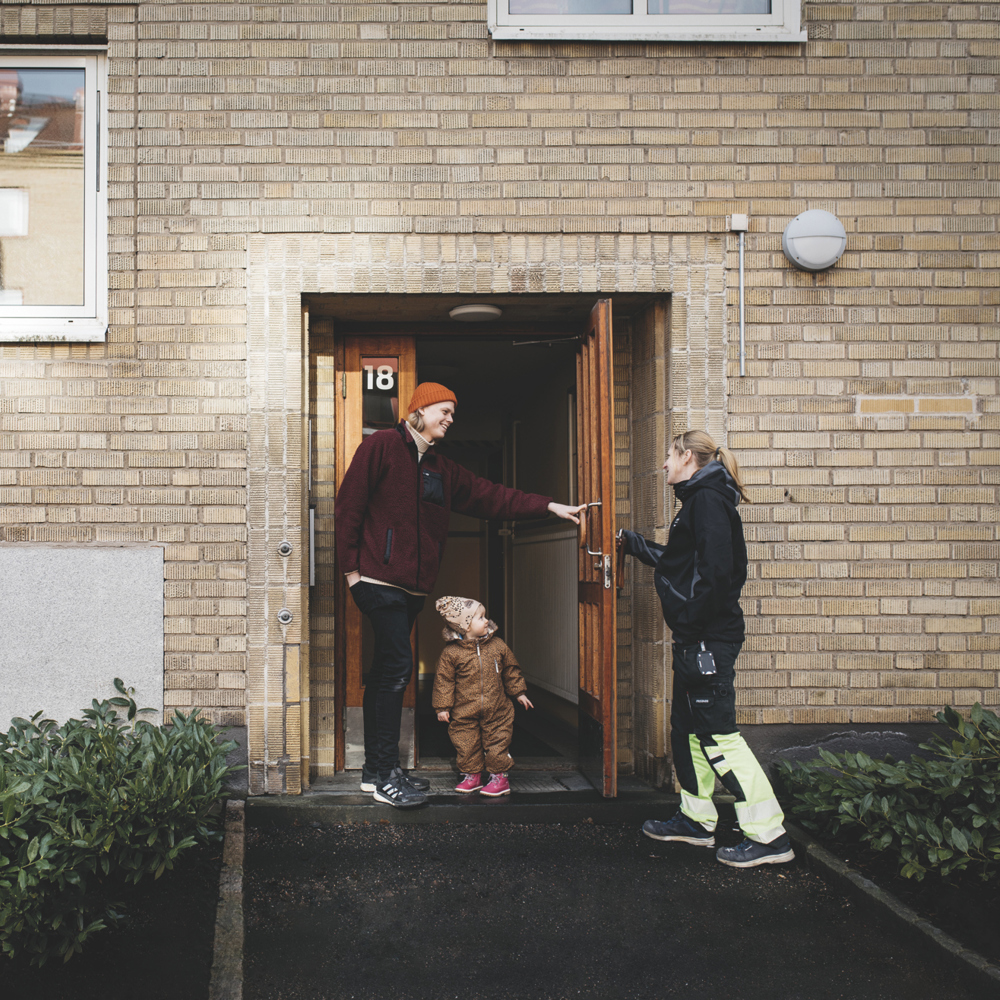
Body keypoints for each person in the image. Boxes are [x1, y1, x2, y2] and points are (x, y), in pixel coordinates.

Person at [334, 382, 585, 808]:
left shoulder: (441, 468)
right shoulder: (380, 448)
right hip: (377, 581)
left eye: (453, 412)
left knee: (385, 671)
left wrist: (548, 507)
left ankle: (375, 772)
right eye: (444, 410)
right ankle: (384, 775)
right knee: (397, 668)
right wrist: (353, 573)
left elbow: (492, 496)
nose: (450, 418)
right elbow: (348, 508)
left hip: (412, 588)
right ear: (420, 410)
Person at [618, 429, 795, 867]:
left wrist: (693, 622)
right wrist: (635, 544)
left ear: (688, 458)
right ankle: (697, 821)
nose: (663, 464)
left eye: (669, 455)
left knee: (718, 735)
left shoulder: (709, 502)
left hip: (707, 640)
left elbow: (719, 575)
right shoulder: (698, 501)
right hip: (695, 639)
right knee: (687, 732)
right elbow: (684, 566)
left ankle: (770, 836)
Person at [431, 596, 533, 797]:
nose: (486, 621)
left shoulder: (497, 646)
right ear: (465, 626)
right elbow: (444, 681)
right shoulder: (451, 653)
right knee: (465, 742)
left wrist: (519, 692)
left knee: (498, 741)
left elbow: (510, 670)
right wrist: (442, 707)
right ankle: (472, 775)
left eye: (485, 616)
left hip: (497, 707)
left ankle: (499, 778)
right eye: (480, 618)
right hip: (464, 709)